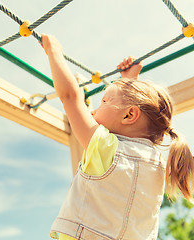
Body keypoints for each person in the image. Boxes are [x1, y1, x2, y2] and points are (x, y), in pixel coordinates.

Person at [40, 33, 194, 240]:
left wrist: (54, 51)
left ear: (130, 114)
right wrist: (128, 82)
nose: (93, 112)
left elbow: (70, 97)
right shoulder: (158, 162)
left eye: (103, 101)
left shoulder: (105, 146)